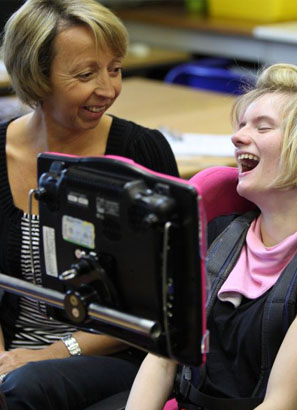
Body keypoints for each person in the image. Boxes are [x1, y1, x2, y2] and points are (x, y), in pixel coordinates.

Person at [125, 64, 297, 410]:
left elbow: (281, 403)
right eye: (241, 126)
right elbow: (162, 360)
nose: (237, 138)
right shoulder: (219, 234)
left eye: (262, 127)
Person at [0, 0, 179, 409]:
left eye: (114, 69)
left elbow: (167, 305)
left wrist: (55, 352)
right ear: (36, 75)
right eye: (85, 74)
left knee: (23, 388)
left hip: (119, 356)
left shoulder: (141, 151)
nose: (108, 89)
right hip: (17, 360)